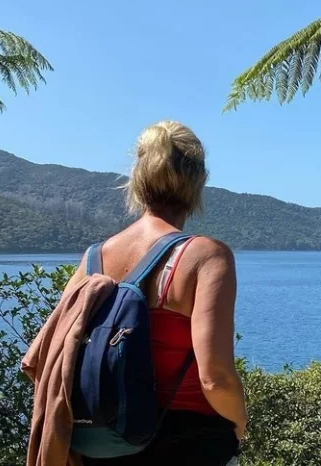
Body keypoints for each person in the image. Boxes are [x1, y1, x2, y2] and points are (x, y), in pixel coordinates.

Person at [77, 120, 247, 466]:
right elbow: (215, 378)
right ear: (198, 180)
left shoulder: (94, 258)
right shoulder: (206, 256)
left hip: (104, 444)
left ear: (137, 177)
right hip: (190, 442)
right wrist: (240, 423)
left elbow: (53, 354)